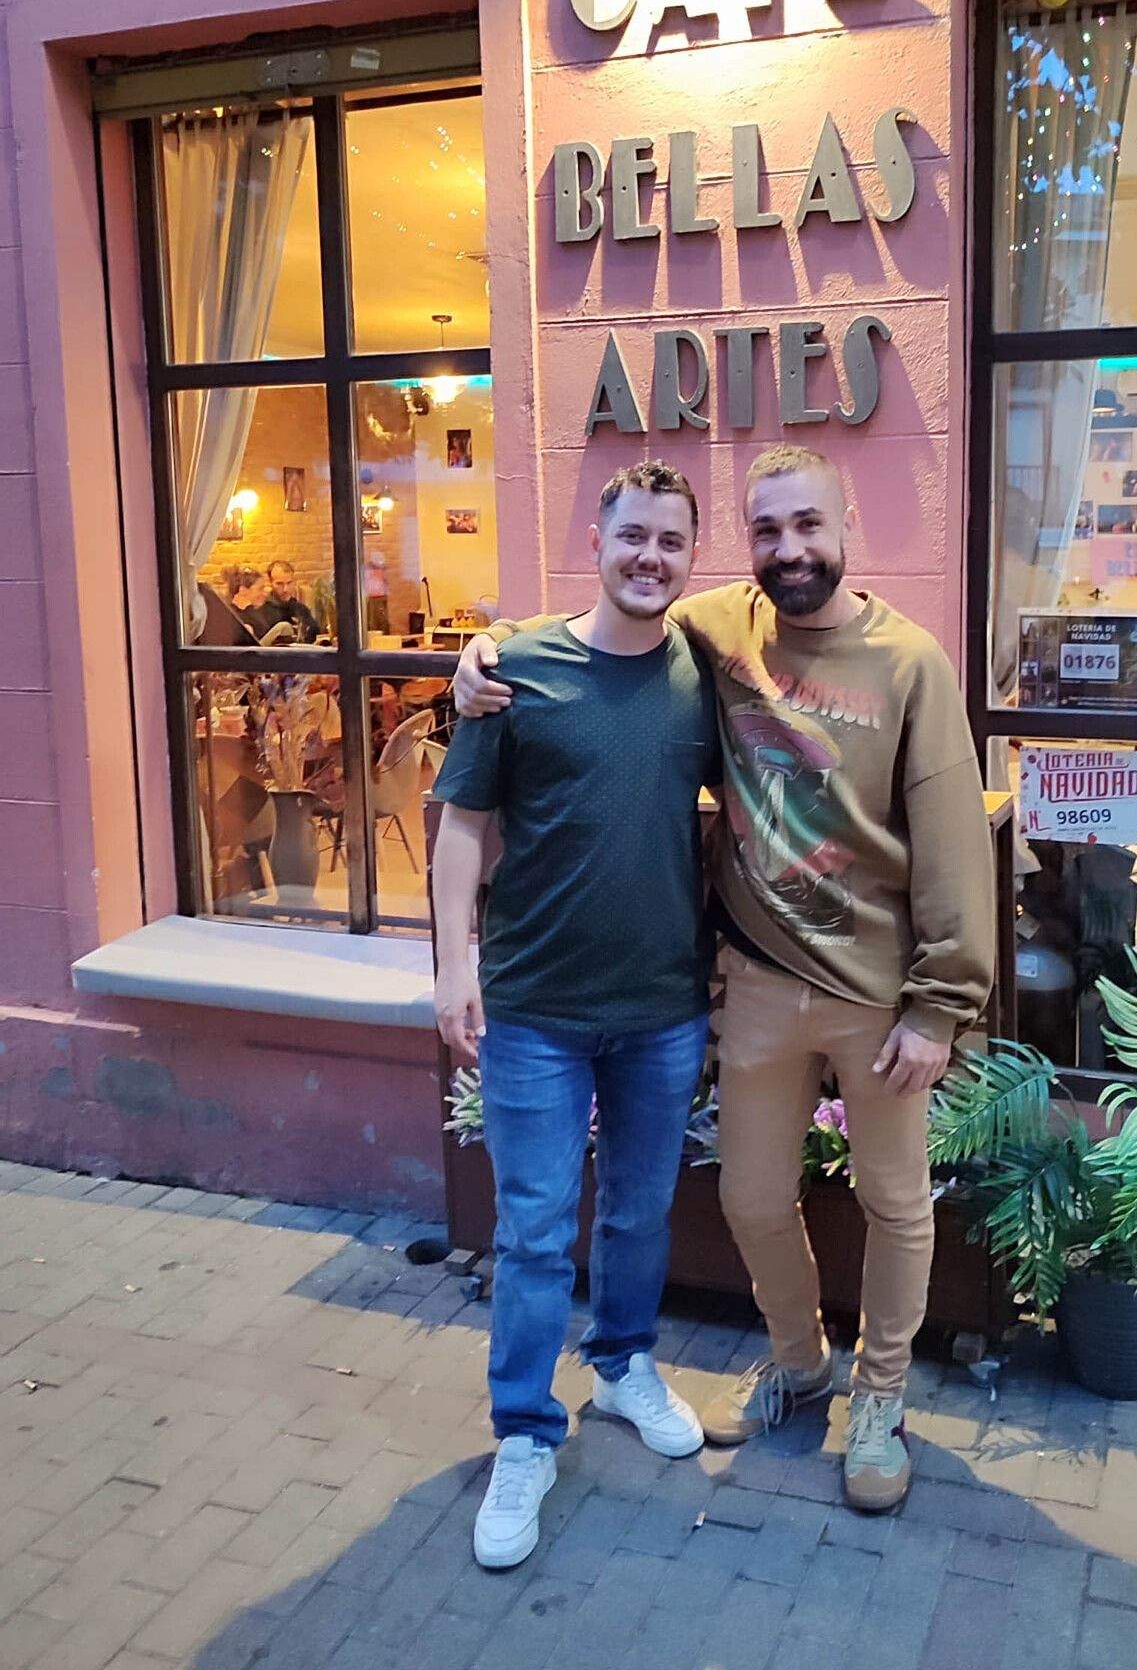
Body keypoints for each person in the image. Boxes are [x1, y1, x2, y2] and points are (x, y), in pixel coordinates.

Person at [454, 443, 995, 1515]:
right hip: (756, 980)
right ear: (744, 542)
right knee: (749, 1198)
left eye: (808, 524)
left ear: (847, 526)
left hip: (878, 995)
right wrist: (486, 650)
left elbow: (953, 846)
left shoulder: (910, 662)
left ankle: (881, 1398)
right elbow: (609, 615)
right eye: (767, 529)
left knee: (894, 1201)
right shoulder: (723, 626)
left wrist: (940, 1005)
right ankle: (800, 1363)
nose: (790, 549)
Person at [431, 460, 720, 1571]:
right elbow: (461, 825)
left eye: (670, 541)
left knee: (640, 1213)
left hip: (661, 1006)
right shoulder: (515, 670)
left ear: (691, 555)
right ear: (596, 543)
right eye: (632, 535)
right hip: (537, 1009)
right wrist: (452, 966)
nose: (650, 556)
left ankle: (624, 1363)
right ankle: (524, 1431)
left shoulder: (704, 674)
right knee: (536, 1230)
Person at [262, 560, 320, 642]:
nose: (285, 589)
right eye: (279, 584)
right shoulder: (262, 608)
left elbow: (315, 634)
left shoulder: (300, 609)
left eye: (289, 583)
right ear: (270, 583)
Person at [224, 566, 273, 640]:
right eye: (260, 589)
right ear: (243, 590)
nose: (265, 593)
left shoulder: (263, 609)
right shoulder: (231, 616)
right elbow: (263, 632)